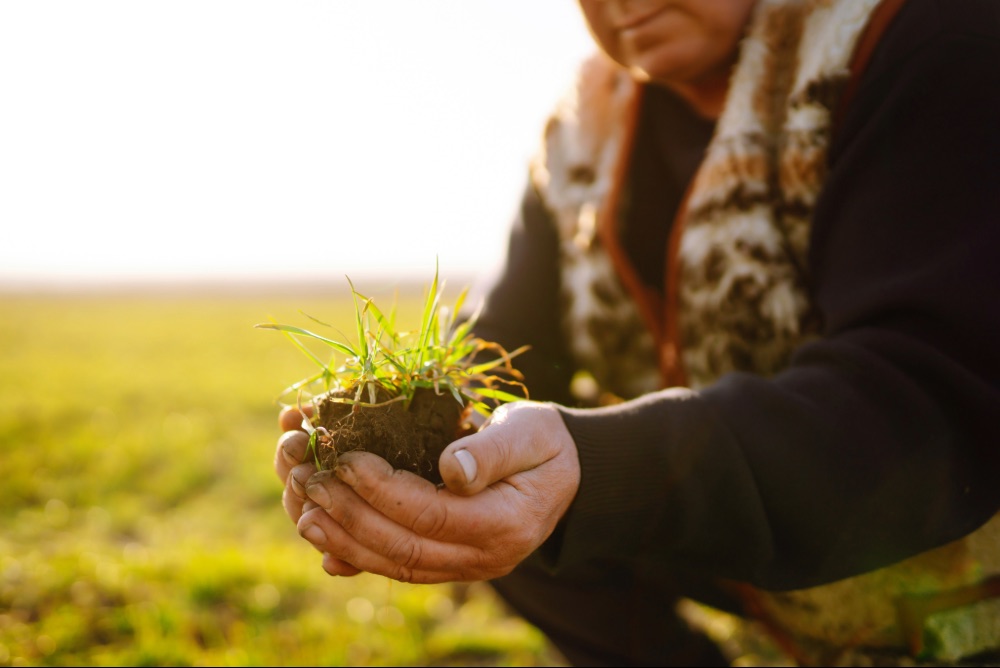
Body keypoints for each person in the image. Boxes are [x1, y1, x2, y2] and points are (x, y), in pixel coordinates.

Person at [274, 0, 1000, 665]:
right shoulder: (587, 125)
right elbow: (507, 351)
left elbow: (926, 398)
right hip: (747, 534)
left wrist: (599, 466)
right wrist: (393, 432)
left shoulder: (928, 43)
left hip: (955, 571)